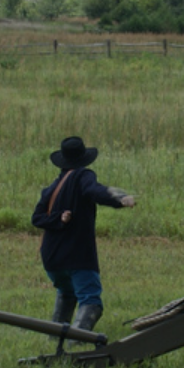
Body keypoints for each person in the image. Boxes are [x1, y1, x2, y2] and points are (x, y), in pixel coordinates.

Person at [31, 135, 136, 333]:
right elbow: (94, 190)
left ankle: (55, 337)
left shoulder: (51, 188)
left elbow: (36, 218)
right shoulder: (83, 176)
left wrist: (58, 218)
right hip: (77, 257)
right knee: (91, 300)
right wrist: (120, 199)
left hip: (52, 259)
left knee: (67, 293)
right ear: (84, 158)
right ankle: (76, 341)